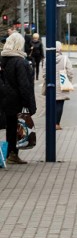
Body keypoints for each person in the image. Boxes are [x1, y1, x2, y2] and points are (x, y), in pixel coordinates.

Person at [0, 33, 36, 164]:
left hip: (5, 99)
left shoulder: (3, 60)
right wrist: (28, 104)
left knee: (10, 127)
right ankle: (13, 154)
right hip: (17, 100)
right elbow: (24, 84)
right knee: (17, 128)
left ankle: (9, 153)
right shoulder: (20, 62)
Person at [41, 41, 73, 130]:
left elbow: (44, 73)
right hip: (62, 83)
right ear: (60, 49)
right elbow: (70, 72)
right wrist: (69, 81)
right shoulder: (65, 58)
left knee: (51, 104)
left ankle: (50, 123)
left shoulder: (47, 59)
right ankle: (57, 124)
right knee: (59, 104)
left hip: (50, 83)